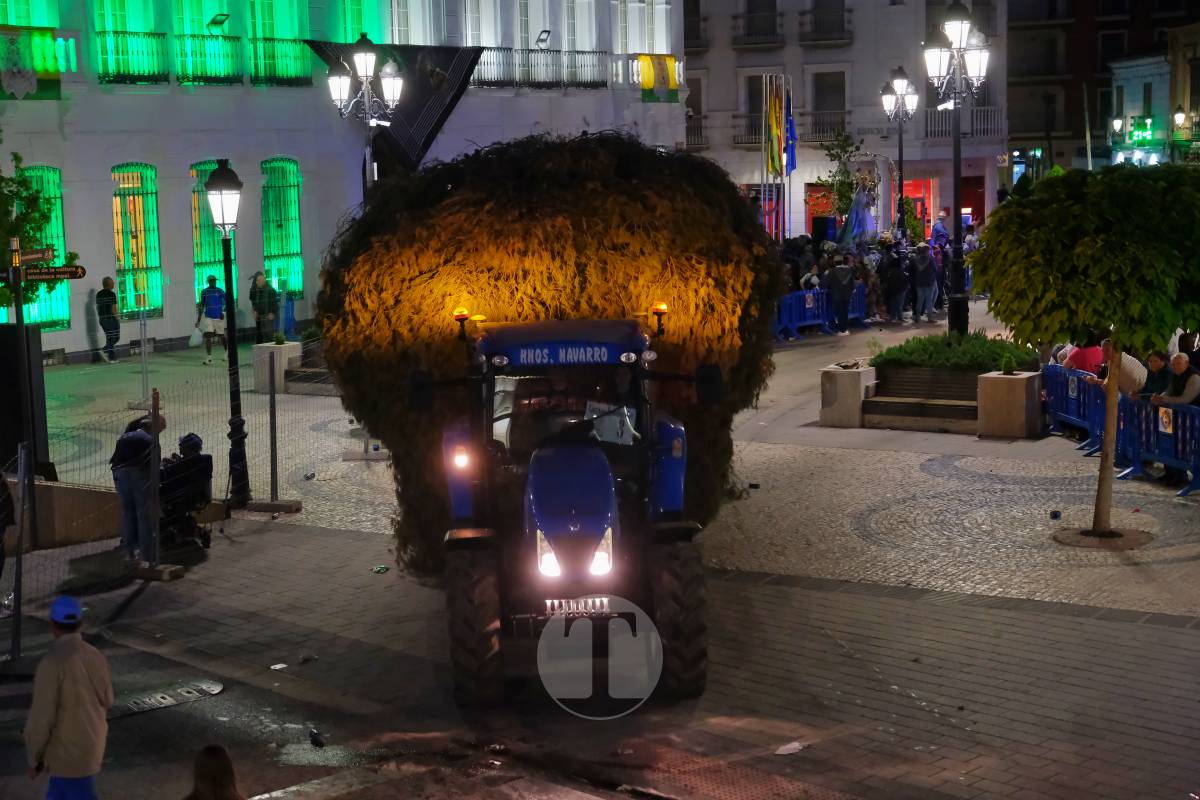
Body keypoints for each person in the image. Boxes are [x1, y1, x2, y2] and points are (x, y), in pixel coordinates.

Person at [24, 596, 114, 800]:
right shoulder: (96, 655)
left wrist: (34, 759)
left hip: (66, 754)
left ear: (52, 626)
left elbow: (41, 719)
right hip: (92, 745)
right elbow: (108, 699)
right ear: (80, 624)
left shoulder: (51, 664)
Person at [109, 414, 166, 566]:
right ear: (153, 428)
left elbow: (114, 461)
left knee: (127, 513)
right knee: (144, 514)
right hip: (140, 474)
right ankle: (147, 554)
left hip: (119, 474)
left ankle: (129, 553)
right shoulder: (151, 441)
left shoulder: (125, 436)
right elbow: (156, 468)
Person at [195, 276, 227, 366]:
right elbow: (202, 305)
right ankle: (209, 358)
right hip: (208, 316)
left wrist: (223, 312)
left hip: (218, 317)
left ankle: (227, 352)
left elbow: (228, 301)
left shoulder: (220, 291)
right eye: (212, 281)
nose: (214, 282)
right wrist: (198, 319)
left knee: (221, 335)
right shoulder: (204, 292)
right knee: (208, 336)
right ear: (208, 282)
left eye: (215, 281)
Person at [822, 254, 855, 336]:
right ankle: (845, 329)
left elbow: (824, 283)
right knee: (845, 312)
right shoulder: (849, 270)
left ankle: (841, 330)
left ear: (834, 262)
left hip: (837, 295)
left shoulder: (832, 271)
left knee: (840, 313)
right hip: (847, 295)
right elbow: (852, 285)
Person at [248, 272, 279, 344]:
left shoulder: (270, 290)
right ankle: (266, 350)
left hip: (268, 316)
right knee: (264, 334)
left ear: (262, 281)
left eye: (257, 281)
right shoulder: (259, 290)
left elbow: (274, 303)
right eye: (256, 281)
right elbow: (257, 302)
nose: (256, 282)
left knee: (269, 334)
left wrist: (272, 313)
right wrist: (255, 311)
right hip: (261, 316)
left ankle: (272, 350)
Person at [910, 242, 937, 323]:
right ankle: (930, 318)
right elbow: (935, 270)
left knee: (919, 300)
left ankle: (918, 317)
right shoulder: (931, 259)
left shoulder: (916, 259)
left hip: (919, 283)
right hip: (929, 282)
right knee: (929, 301)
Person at [95, 278, 120, 364]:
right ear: (109, 284)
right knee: (115, 337)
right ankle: (111, 357)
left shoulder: (98, 294)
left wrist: (101, 317)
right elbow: (113, 308)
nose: (114, 283)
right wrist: (117, 318)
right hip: (110, 319)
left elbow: (98, 308)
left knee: (110, 338)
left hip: (102, 319)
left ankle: (106, 352)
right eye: (112, 282)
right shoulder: (111, 294)